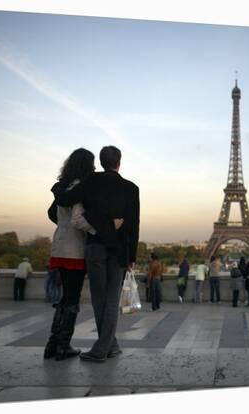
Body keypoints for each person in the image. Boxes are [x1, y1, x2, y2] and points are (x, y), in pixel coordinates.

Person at [54, 145, 140, 363]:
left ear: (101, 162)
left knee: (99, 299)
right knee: (111, 300)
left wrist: (57, 186)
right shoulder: (131, 188)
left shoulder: (90, 182)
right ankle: (109, 345)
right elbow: (133, 226)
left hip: (95, 247)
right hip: (120, 251)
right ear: (119, 162)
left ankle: (102, 348)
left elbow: (64, 199)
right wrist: (132, 257)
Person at [44, 148, 111, 360]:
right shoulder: (79, 188)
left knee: (65, 299)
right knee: (72, 299)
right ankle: (63, 347)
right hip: (74, 251)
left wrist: (63, 227)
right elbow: (78, 220)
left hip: (59, 247)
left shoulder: (63, 187)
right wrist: (98, 230)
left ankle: (52, 345)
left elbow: (52, 213)